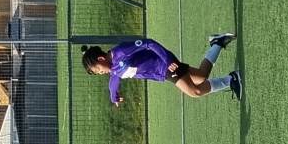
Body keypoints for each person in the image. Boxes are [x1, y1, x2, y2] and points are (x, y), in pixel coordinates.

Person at [81, 34, 239, 105]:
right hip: (163, 73)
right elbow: (113, 83)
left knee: (194, 91)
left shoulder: (121, 51)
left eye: (98, 69)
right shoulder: (114, 70)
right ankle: (217, 43)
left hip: (166, 65)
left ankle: (232, 79)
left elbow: (148, 43)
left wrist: (168, 60)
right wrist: (113, 96)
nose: (101, 73)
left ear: (100, 59)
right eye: (98, 73)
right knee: (202, 76)